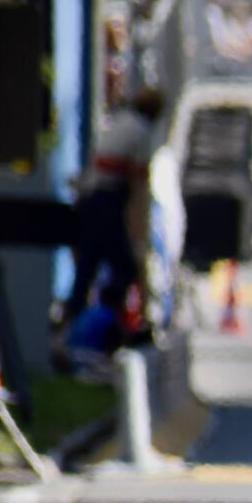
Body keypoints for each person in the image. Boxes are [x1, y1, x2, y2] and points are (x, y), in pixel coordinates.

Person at [62, 88, 167, 345]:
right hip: (107, 202)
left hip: (90, 201)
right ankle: (110, 324)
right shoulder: (141, 133)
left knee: (88, 265)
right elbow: (138, 186)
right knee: (124, 267)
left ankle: (73, 322)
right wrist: (139, 232)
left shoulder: (118, 122)